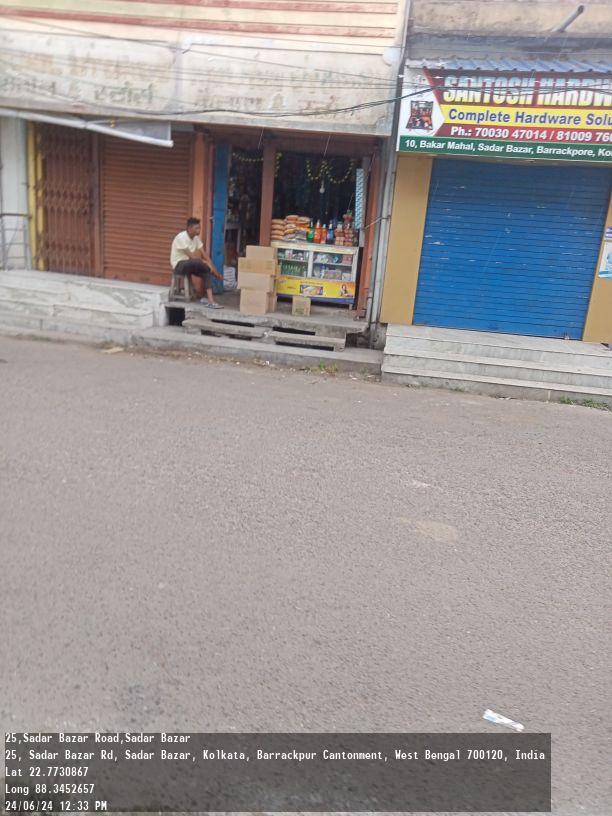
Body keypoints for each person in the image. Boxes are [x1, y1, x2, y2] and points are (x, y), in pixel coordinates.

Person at [170, 217, 224, 308]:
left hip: (190, 264)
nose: (199, 230)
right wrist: (206, 263)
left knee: (206, 271)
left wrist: (214, 270)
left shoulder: (196, 239)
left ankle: (211, 301)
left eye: (199, 228)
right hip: (179, 265)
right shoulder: (181, 237)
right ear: (189, 228)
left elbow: (204, 255)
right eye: (196, 228)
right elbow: (192, 257)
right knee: (198, 262)